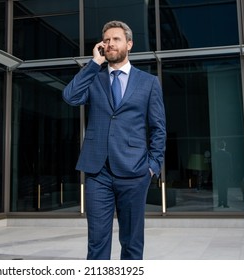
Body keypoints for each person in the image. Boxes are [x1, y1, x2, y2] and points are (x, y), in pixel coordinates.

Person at [62, 20, 166, 260]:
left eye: (116, 39)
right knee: (97, 243)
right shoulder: (94, 78)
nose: (110, 44)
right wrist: (93, 64)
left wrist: (153, 166)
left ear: (129, 44)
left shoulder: (149, 83)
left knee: (131, 243)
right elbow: (70, 96)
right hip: (98, 173)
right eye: (106, 40)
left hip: (135, 171)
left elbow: (158, 128)